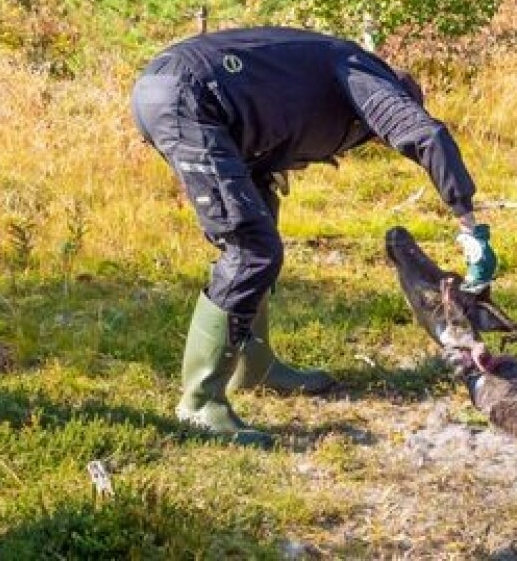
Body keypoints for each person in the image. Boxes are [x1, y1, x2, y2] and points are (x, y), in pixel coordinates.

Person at [130, 27, 497, 446]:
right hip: (187, 98)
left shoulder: (321, 72)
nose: (376, 139)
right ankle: (200, 403)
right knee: (252, 249)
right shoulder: (362, 72)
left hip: (186, 95)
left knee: (260, 218)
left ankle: (255, 365)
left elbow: (273, 111)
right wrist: (470, 225)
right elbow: (426, 135)